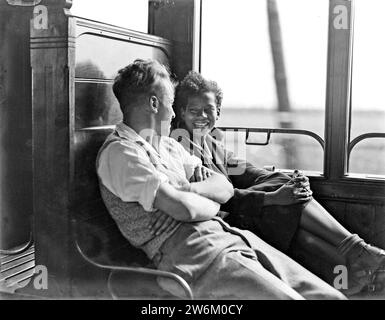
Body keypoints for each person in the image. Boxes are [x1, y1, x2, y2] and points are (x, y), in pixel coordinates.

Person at [96, 59, 346, 300]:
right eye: (171, 103)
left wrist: (188, 191)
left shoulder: (169, 146)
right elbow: (184, 208)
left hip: (227, 235)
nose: (173, 113)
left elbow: (223, 188)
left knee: (328, 295)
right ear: (154, 103)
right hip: (192, 253)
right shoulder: (122, 153)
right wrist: (204, 201)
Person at [169, 70, 385, 296]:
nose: (202, 116)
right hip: (221, 219)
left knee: (286, 192)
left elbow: (246, 171)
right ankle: (356, 254)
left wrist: (291, 182)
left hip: (242, 209)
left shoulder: (211, 142)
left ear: (218, 112)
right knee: (283, 209)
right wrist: (272, 197)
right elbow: (218, 199)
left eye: (208, 110)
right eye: (194, 111)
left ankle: (353, 265)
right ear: (181, 113)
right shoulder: (179, 146)